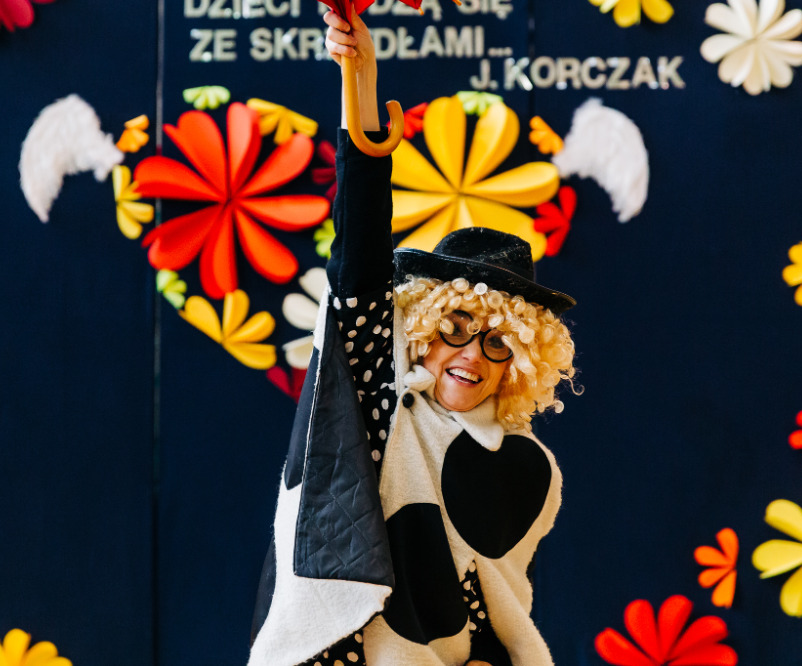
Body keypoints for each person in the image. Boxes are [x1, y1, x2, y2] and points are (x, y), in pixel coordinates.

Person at [248, 9, 577, 666]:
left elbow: (497, 608)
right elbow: (359, 260)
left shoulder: (527, 468)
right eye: (455, 328)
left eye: (497, 342)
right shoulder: (380, 406)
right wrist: (361, 82)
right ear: (422, 331)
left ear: (517, 363)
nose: (471, 355)